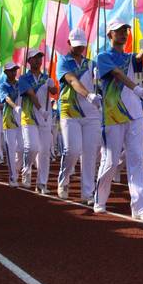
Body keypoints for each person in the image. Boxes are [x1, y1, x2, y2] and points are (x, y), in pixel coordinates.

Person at [94, 19, 143, 222]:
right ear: (110, 35)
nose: (123, 34)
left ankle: (139, 207)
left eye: (125, 31)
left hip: (135, 114)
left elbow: (137, 62)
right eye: (118, 31)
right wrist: (136, 88)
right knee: (111, 162)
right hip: (113, 115)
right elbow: (117, 73)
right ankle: (100, 198)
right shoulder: (103, 57)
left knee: (137, 158)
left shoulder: (130, 58)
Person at [56, 28, 103, 205]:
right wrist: (88, 95)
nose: (80, 48)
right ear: (69, 44)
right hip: (70, 111)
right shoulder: (63, 61)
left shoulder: (91, 64)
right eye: (76, 45)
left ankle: (88, 192)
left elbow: (102, 81)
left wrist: (99, 80)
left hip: (91, 113)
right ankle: (63, 179)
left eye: (83, 45)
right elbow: (72, 81)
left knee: (90, 153)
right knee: (72, 150)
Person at [18, 48, 58, 194]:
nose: (38, 60)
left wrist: (52, 85)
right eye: (34, 58)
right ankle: (26, 169)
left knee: (45, 152)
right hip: (29, 118)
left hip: (45, 119)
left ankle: (42, 183)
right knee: (32, 147)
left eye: (39, 57)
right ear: (28, 61)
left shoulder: (45, 77)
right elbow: (31, 94)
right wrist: (40, 109)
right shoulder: (23, 79)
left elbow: (54, 93)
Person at [0, 62, 23, 187]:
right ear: (5, 72)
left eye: (15, 70)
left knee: (23, 148)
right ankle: (13, 177)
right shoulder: (3, 86)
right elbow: (6, 98)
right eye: (11, 70)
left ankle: (17, 169)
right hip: (9, 120)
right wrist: (15, 106)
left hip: (21, 120)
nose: (14, 72)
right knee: (11, 150)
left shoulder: (20, 84)